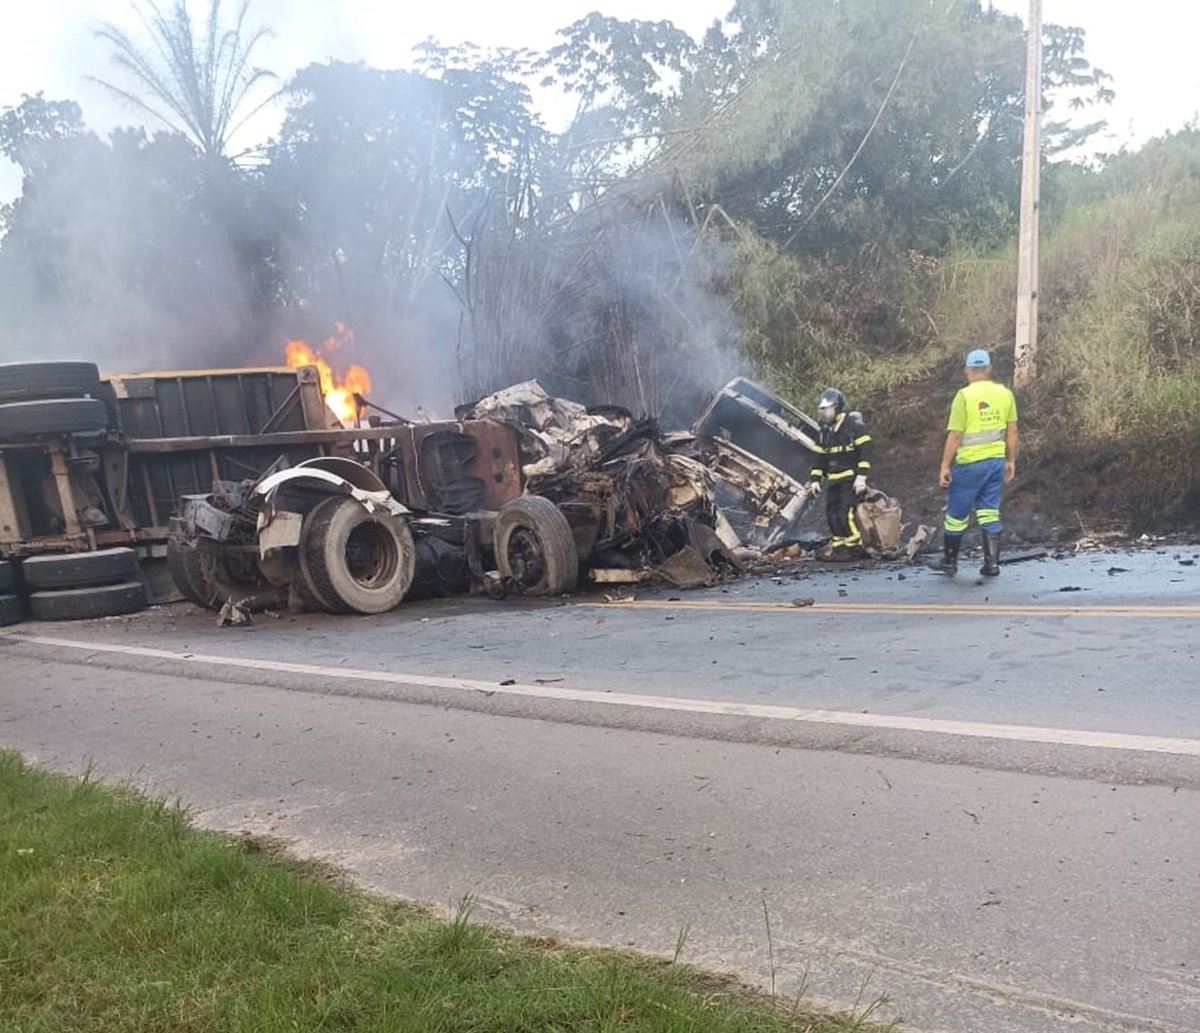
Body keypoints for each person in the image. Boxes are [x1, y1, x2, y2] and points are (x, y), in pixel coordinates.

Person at [937, 348, 1018, 576]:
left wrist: (945, 465)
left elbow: (955, 435)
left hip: (970, 464)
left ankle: (950, 562)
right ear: (989, 369)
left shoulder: (964, 396)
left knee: (956, 514)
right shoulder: (1005, 394)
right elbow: (1012, 430)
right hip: (995, 462)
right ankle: (992, 564)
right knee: (989, 511)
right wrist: (1010, 460)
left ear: (967, 370)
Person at [808, 388, 871, 560]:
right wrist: (815, 479)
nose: (825, 413)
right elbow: (818, 456)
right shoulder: (824, 430)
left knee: (845, 513)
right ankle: (839, 547)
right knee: (831, 514)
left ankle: (854, 548)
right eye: (822, 410)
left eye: (827, 409)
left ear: (837, 408)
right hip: (833, 479)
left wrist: (862, 476)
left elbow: (865, 452)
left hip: (850, 478)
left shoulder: (853, 426)